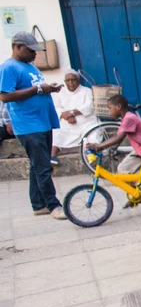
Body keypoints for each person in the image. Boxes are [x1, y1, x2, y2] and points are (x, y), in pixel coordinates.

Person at [0, 31, 65, 219]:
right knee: (44, 166)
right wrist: (38, 89)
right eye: (30, 50)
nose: (34, 54)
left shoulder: (29, 67)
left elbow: (35, 90)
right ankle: (53, 206)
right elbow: (5, 96)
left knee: (37, 165)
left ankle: (38, 204)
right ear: (17, 47)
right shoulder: (9, 68)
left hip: (42, 122)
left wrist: (48, 89)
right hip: (28, 125)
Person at [51, 70, 100, 166]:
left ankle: (90, 154)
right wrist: (66, 115)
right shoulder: (60, 92)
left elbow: (89, 107)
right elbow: (56, 107)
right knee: (56, 131)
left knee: (93, 132)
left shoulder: (87, 91)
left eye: (73, 80)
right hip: (68, 124)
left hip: (86, 122)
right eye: (68, 80)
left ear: (78, 81)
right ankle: (52, 156)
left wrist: (72, 113)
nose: (70, 83)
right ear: (65, 82)